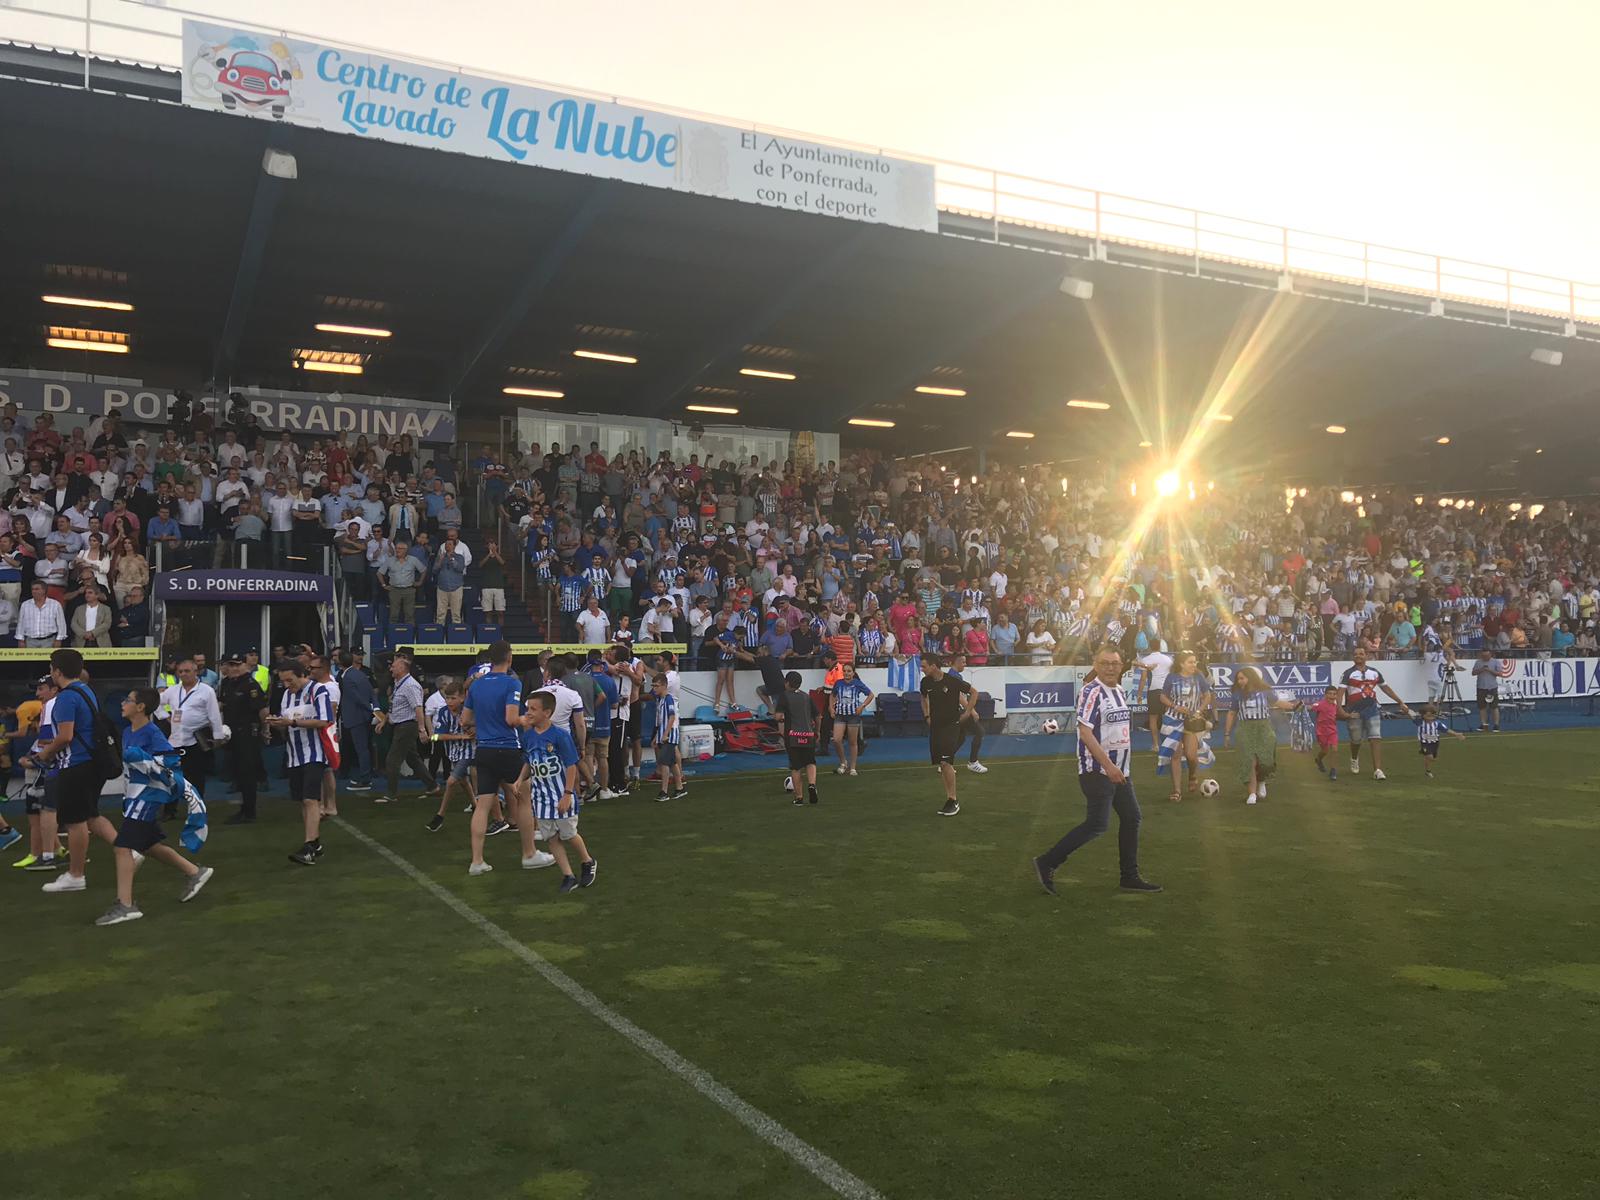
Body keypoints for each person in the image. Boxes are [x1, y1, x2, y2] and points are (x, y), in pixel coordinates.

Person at [1033, 644, 1162, 895]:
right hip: (1097, 770)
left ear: (1122, 664)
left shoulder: (1119, 691)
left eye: (1114, 663)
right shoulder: (1091, 692)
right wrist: (1108, 766)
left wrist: (1120, 768)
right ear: (1095, 664)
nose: (1110, 668)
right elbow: (1085, 732)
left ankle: (1129, 876)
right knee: (1097, 824)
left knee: (1131, 818)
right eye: (1105, 663)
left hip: (1120, 771)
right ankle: (1047, 862)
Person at [94, 688, 215, 925]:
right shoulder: (128, 731)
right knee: (150, 846)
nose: (123, 702)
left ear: (140, 707)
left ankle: (126, 905)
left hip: (147, 798)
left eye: (128, 699)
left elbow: (169, 765)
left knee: (122, 846)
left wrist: (142, 759)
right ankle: (194, 871)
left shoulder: (152, 733)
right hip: (135, 797)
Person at [464, 641, 553, 873]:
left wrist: (483, 724)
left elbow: (464, 720)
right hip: (507, 748)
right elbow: (511, 719)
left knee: (483, 804)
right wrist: (527, 720)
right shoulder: (511, 682)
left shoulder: (476, 685)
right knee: (524, 798)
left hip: (483, 749)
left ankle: (477, 861)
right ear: (510, 659)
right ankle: (529, 853)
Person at [38, 649, 114, 895]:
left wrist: (44, 753)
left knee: (75, 821)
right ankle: (127, 850)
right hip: (92, 761)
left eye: (51, 667)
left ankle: (76, 874)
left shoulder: (66, 698)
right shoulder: (85, 690)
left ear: (57, 671)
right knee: (91, 814)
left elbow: (65, 736)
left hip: (76, 764)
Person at [522, 689, 596, 894]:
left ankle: (587, 861)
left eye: (533, 709)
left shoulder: (560, 736)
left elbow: (571, 766)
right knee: (551, 838)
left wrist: (567, 794)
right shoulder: (528, 736)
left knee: (569, 834)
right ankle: (568, 875)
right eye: (527, 708)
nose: (528, 713)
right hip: (540, 798)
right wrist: (519, 780)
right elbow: (528, 762)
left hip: (560, 795)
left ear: (547, 713)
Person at [266, 658, 335, 866]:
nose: (287, 685)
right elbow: (287, 722)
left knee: (310, 799)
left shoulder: (318, 691)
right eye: (284, 682)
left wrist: (293, 722)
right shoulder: (287, 695)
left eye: (290, 680)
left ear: (301, 674)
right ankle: (314, 843)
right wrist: (277, 723)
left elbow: (325, 720)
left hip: (314, 753)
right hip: (294, 753)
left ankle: (308, 846)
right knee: (302, 801)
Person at [1224, 667, 1300, 805]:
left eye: (1242, 678)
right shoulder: (1237, 694)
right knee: (1249, 761)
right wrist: (1227, 733)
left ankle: (1262, 780)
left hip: (1264, 727)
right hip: (1245, 728)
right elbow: (1231, 713)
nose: (1240, 681)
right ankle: (1252, 793)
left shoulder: (1265, 691)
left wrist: (1294, 706)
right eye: (1238, 679)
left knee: (1266, 760)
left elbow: (1278, 703)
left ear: (1250, 677)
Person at [1339, 647, 1413, 779]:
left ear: (1366, 656)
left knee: (1375, 738)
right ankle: (1354, 758)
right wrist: (1340, 710)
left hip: (1372, 709)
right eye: (1356, 654)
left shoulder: (1374, 672)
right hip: (1354, 711)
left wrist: (1400, 702)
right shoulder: (1347, 673)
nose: (1358, 656)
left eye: (1361, 654)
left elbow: (1386, 688)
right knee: (1356, 740)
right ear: (1352, 657)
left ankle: (1378, 770)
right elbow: (1340, 693)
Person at [160, 657, 224, 807]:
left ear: (196, 672)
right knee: (172, 777)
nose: (183, 674)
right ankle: (170, 810)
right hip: (175, 740)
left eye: (187, 671)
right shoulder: (173, 690)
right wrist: (164, 716)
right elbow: (156, 701)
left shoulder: (206, 691)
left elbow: (214, 715)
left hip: (196, 740)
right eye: (180, 671)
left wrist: (218, 736)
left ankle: (196, 807)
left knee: (196, 777)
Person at [919, 654, 976, 817]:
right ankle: (950, 799)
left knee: (945, 761)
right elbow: (923, 698)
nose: (922, 669)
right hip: (935, 727)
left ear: (934, 666)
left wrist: (968, 712)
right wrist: (926, 716)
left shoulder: (951, 681)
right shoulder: (926, 682)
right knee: (942, 764)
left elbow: (974, 692)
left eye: (924, 666)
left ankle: (953, 800)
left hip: (951, 726)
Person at [376, 655, 436, 804]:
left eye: (394, 666)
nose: (391, 668)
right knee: (412, 759)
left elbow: (418, 708)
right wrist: (384, 721)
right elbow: (396, 706)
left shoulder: (410, 685)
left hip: (407, 726)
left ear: (402, 668)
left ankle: (391, 794)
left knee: (392, 760)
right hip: (400, 724)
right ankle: (432, 785)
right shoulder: (400, 683)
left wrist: (422, 729)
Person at [218, 654, 268, 824]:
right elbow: (222, 704)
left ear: (243, 666)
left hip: (248, 733)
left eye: (236, 665)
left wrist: (265, 729)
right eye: (230, 665)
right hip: (231, 733)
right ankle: (244, 807)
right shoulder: (226, 683)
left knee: (247, 772)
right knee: (237, 771)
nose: (233, 668)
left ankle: (250, 811)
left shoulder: (250, 684)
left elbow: (262, 709)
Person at [1158, 650, 1213, 801]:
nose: (1193, 665)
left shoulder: (1198, 677)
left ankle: (1192, 774)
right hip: (1173, 720)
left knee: (1190, 754)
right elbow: (1162, 696)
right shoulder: (1172, 677)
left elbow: (1208, 695)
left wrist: (1199, 711)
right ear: (1181, 664)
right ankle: (1176, 790)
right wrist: (1175, 706)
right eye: (1190, 662)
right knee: (1175, 755)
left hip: (1192, 721)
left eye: (1195, 662)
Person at [426, 683, 474, 832]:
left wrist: (474, 729)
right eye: (447, 698)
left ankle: (440, 815)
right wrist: (460, 736)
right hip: (453, 751)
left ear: (462, 698)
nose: (450, 702)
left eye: (453, 698)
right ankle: (477, 806)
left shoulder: (470, 710)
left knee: (452, 781)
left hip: (469, 751)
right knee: (463, 781)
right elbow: (438, 735)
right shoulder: (443, 712)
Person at [776, 670, 821, 806]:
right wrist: (817, 732)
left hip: (793, 736)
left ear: (787, 683)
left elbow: (778, 716)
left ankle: (799, 797)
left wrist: (783, 719)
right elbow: (818, 716)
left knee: (796, 767)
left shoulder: (784, 696)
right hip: (808, 735)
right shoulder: (806, 697)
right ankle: (812, 785)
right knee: (810, 762)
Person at [337, 649, 376, 791]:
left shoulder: (346, 677)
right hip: (362, 716)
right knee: (363, 748)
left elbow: (356, 697)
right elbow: (371, 692)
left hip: (356, 717)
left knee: (361, 749)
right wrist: (373, 708)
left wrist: (370, 709)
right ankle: (365, 776)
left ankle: (365, 779)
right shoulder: (359, 674)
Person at [829, 661, 875, 776]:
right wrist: (831, 708)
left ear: (853, 673)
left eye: (849, 671)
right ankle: (843, 761)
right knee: (836, 739)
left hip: (853, 715)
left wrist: (862, 706)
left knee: (852, 742)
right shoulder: (838, 683)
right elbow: (832, 695)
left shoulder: (857, 683)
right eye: (844, 671)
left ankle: (853, 767)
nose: (846, 673)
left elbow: (870, 695)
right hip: (840, 714)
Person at [945, 652, 987, 773]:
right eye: (963, 662)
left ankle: (945, 762)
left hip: (955, 711)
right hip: (959, 711)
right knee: (980, 732)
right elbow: (959, 696)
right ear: (956, 662)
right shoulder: (954, 677)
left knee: (961, 738)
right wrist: (972, 711)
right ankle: (973, 762)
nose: (965, 664)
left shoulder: (953, 675)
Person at [651, 672, 684, 802]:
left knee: (664, 763)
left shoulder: (669, 699)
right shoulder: (661, 700)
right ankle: (680, 788)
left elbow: (671, 717)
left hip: (669, 735)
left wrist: (665, 734)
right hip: (665, 735)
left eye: (656, 686)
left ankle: (664, 791)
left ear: (664, 686)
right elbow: (661, 721)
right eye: (653, 685)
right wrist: (656, 737)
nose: (654, 688)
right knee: (672, 763)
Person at [1305, 685, 1348, 780]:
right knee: (1325, 751)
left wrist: (1349, 716)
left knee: (1334, 750)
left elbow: (1337, 716)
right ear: (1325, 695)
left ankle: (1333, 771)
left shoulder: (1335, 706)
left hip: (1332, 731)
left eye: (1334, 694)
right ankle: (1318, 759)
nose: (1332, 696)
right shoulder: (1320, 704)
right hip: (1321, 732)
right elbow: (1311, 707)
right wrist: (1301, 706)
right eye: (1330, 694)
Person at [1412, 702, 1466, 780]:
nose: (1430, 718)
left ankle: (1427, 770)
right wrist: (1407, 711)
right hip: (1425, 742)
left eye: (1432, 716)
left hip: (1435, 743)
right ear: (1423, 715)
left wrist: (1456, 734)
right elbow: (1411, 716)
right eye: (1428, 716)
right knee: (1429, 756)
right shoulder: (1420, 722)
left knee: (1433, 759)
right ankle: (1423, 751)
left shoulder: (1437, 724)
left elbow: (1446, 730)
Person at [1471, 648, 1503, 732]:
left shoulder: (1495, 662)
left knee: (1494, 706)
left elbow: (1500, 673)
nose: (1485, 657)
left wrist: (1489, 670)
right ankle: (1484, 724)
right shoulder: (1478, 662)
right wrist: (1481, 669)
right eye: (1483, 655)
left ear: (1490, 654)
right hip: (1481, 687)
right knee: (1482, 707)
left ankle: (1496, 725)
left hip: (1491, 687)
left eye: (1487, 655)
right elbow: (1473, 673)